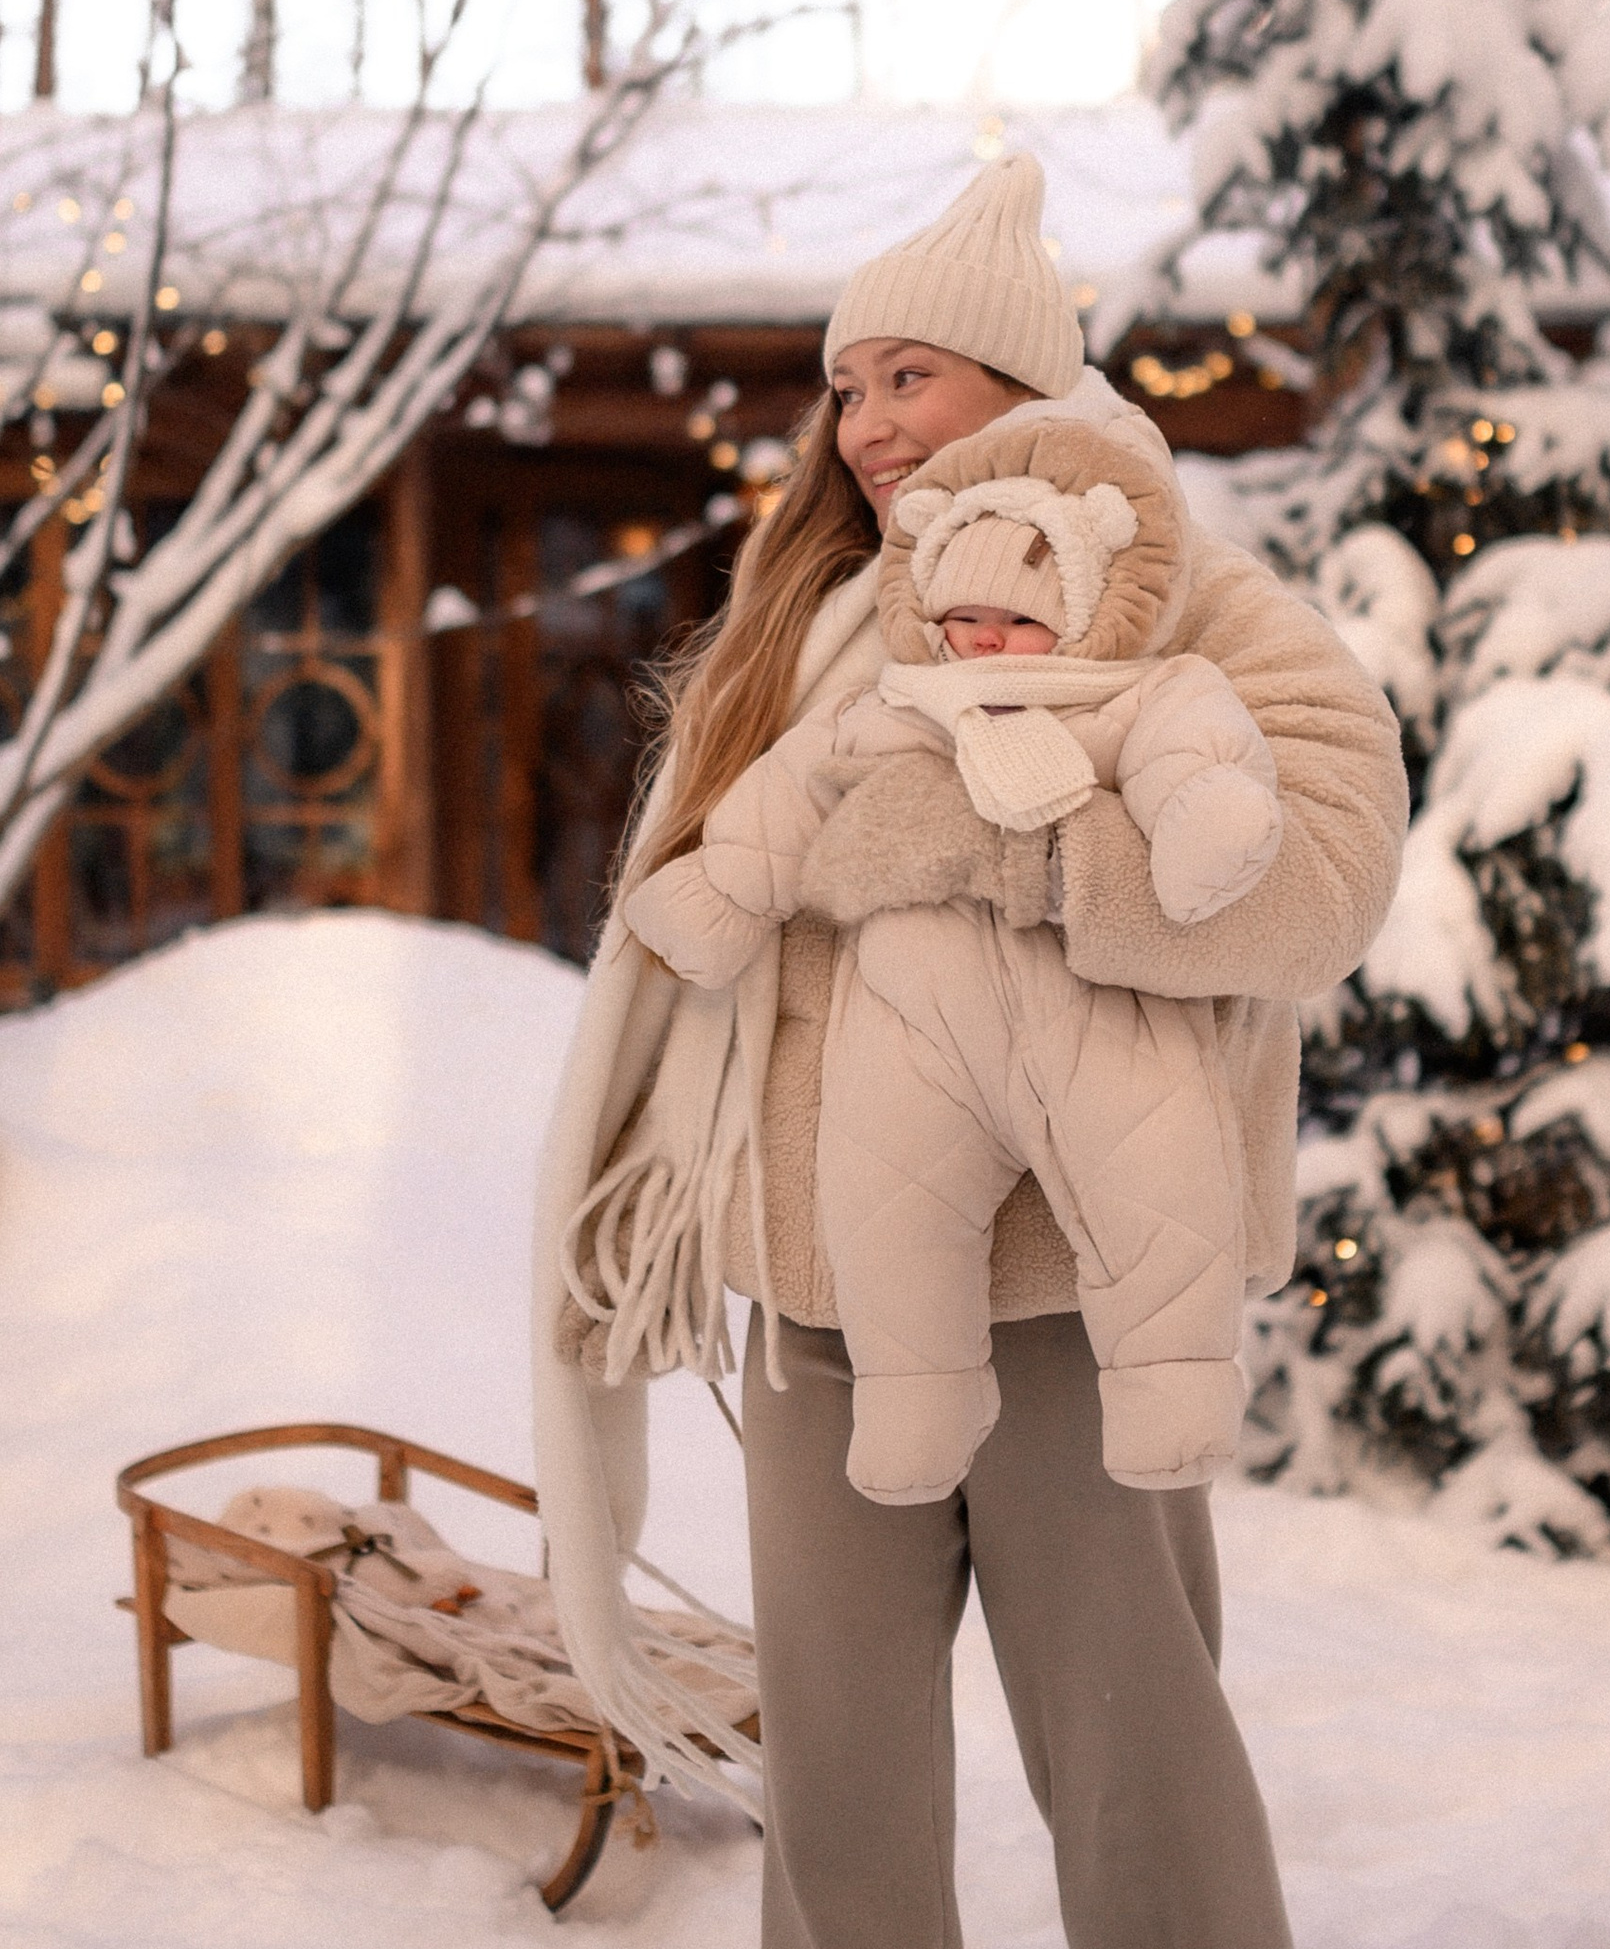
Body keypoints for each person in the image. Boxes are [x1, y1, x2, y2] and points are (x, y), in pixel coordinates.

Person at [529, 152, 1407, 1949]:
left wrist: (1009, 851)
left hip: (1081, 1276)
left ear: (1026, 379)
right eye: (846, 387)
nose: (863, 424)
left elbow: (1322, 885)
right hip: (820, 1274)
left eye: (908, 376)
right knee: (835, 1774)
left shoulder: (1191, 598)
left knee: (1133, 1750)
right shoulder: (816, 613)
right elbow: (720, 904)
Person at [621, 430, 1287, 1506]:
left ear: (1080, 610)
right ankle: (916, 1404)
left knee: (1163, 1191)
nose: (985, 638)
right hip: (907, 1017)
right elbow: (786, 801)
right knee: (887, 1216)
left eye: (1015, 618)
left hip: (1101, 1006)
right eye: (965, 616)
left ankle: (1175, 1397)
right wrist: (721, 892)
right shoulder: (892, 710)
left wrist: (1203, 819)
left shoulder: (1134, 693)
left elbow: (1193, 756)